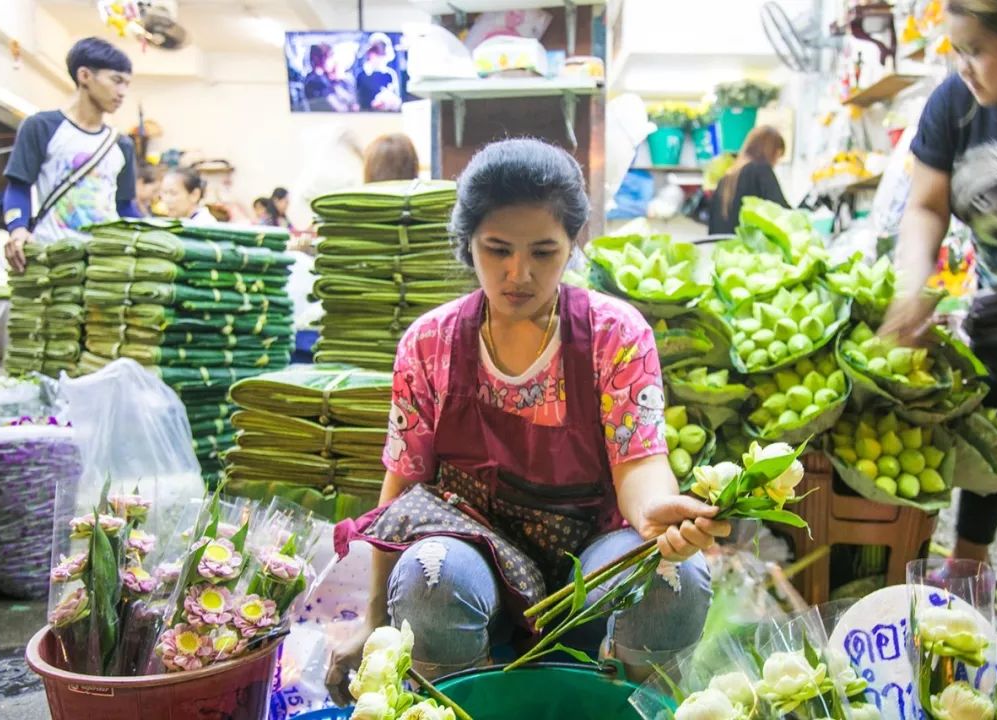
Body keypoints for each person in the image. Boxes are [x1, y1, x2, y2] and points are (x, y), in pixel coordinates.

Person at [325, 139, 727, 703]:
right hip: (470, 550)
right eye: (497, 249)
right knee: (429, 574)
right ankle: (454, 706)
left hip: (594, 553)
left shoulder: (616, 334)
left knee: (672, 578)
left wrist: (657, 515)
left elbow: (641, 463)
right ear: (468, 244)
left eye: (543, 252)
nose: (519, 273)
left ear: (573, 244)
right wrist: (374, 622)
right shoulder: (430, 343)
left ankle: (627, 708)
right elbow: (404, 486)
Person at [880, 0, 997, 619]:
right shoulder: (954, 104)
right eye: (954, 49)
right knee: (987, 452)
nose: (961, 66)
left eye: (976, 50)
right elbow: (927, 205)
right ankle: (964, 582)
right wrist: (911, 287)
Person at [3, 37, 137, 271]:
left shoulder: (122, 144)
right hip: (52, 257)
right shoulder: (42, 127)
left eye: (127, 84)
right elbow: (18, 186)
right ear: (84, 76)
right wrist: (17, 228)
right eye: (116, 81)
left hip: (104, 264)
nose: (122, 92)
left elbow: (125, 206)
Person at [706, 125, 788, 235]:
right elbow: (782, 213)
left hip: (724, 247)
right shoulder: (761, 170)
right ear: (771, 152)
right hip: (749, 249)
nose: (776, 163)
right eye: (777, 156)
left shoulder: (726, 178)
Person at [355, 33, 402, 112]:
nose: (379, 59)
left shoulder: (390, 74)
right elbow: (356, 100)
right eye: (376, 54)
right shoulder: (361, 75)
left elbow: (397, 99)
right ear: (369, 53)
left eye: (382, 55)